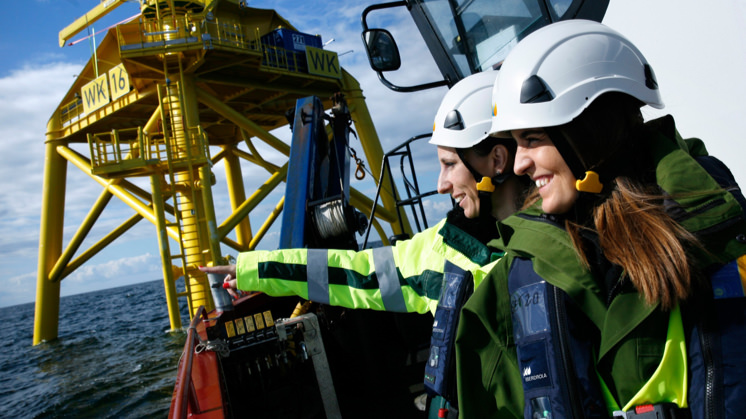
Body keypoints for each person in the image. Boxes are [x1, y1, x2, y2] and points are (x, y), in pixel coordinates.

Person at [456, 19, 746, 419]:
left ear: (587, 133)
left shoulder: (719, 226)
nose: (520, 163)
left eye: (533, 139)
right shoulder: (519, 273)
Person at [200, 70, 530, 418]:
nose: (441, 184)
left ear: (496, 161)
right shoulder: (444, 249)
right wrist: (255, 269)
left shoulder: (561, 249)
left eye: (449, 165)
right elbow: (358, 274)